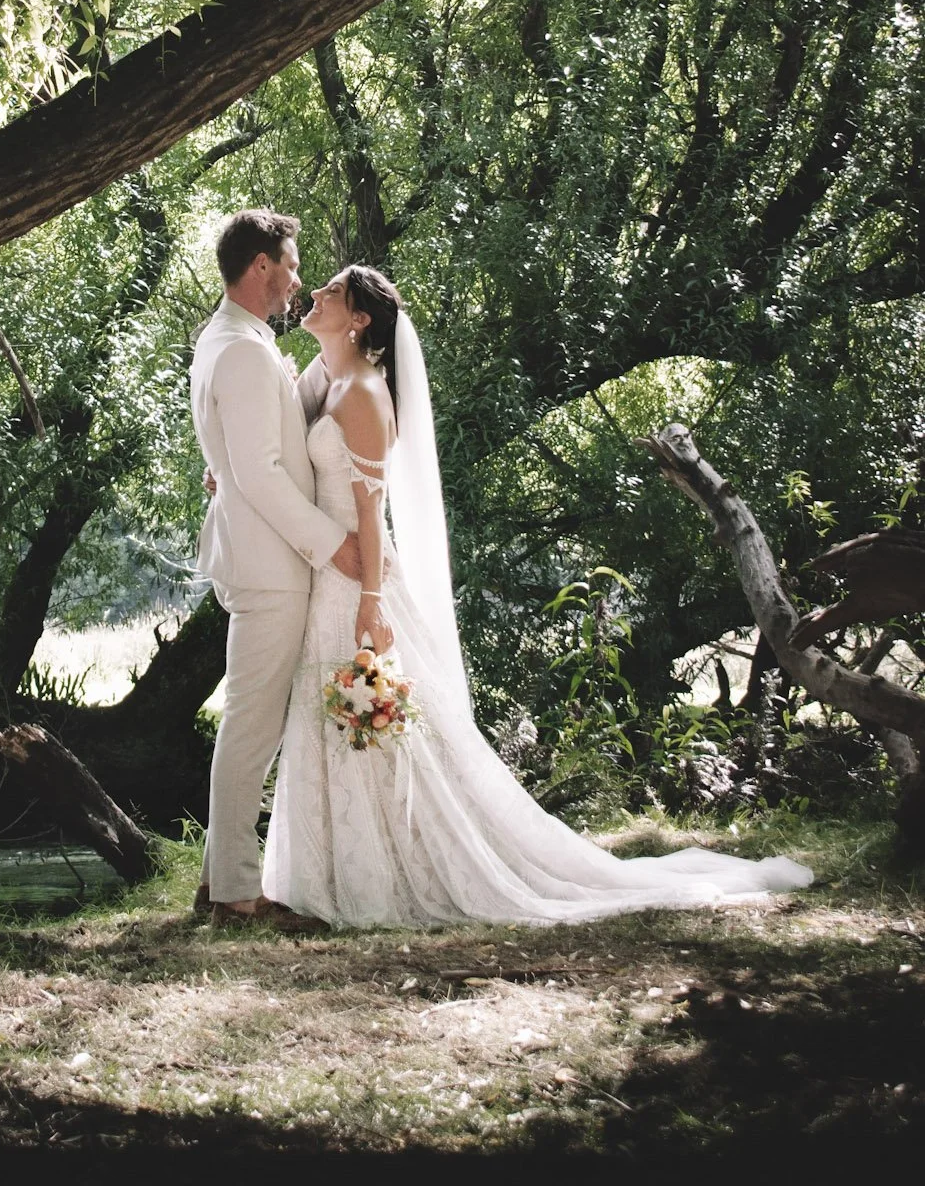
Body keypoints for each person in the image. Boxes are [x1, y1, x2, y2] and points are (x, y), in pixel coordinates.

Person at [261, 264, 814, 927]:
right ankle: (329, 874)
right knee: (331, 717)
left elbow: (369, 509)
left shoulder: (362, 395)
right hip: (327, 572)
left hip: (358, 579)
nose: (312, 296)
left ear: (357, 320)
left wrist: (371, 602)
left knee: (376, 725)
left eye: (329, 293)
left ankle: (384, 876)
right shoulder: (321, 380)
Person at [189, 210, 367, 927]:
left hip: (260, 556)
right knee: (251, 725)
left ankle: (219, 879)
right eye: (290, 266)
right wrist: (333, 544)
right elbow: (260, 475)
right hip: (269, 565)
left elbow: (242, 458)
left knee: (250, 721)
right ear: (260, 266)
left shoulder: (237, 340)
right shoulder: (239, 349)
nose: (296, 280)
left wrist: (223, 472)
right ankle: (234, 892)